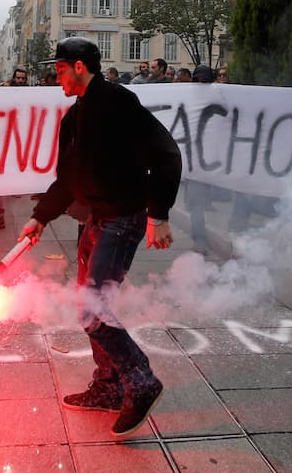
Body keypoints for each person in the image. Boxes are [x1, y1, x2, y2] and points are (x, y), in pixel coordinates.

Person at [18, 36, 180, 437]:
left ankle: (140, 381)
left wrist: (158, 215)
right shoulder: (75, 117)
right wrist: (40, 218)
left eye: (59, 69)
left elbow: (166, 155)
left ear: (79, 67)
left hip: (123, 218)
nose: (56, 78)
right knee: (87, 305)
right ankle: (108, 387)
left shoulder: (117, 103)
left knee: (93, 310)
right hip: (95, 219)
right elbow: (68, 178)